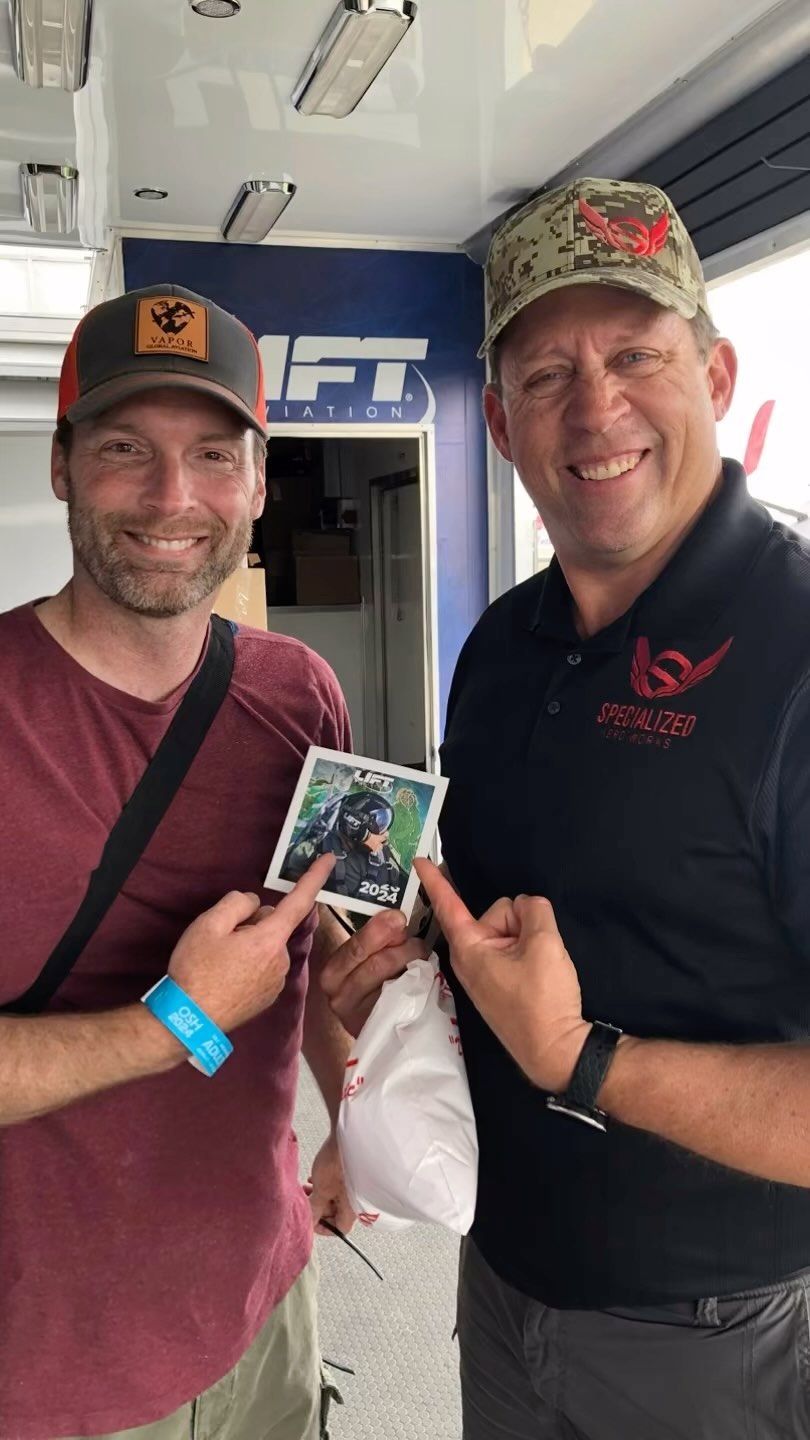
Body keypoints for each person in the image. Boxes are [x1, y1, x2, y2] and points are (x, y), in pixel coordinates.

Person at [320, 177, 810, 1438]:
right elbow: (499, 918)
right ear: (495, 419)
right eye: (546, 374)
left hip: (723, 1332)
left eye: (636, 353)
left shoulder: (797, 646)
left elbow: (560, 1025)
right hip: (502, 1284)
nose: (596, 409)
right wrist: (396, 984)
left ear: (713, 373)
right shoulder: (502, 645)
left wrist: (581, 1058)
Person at [0, 283, 358, 1440]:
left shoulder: (299, 694)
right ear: (62, 468)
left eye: (213, 454)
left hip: (261, 1312)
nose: (172, 498)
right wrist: (175, 1025)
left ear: (257, 483)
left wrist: (356, 1098)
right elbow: (214, 1006)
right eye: (124, 451)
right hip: (45, 1374)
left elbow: (307, 962)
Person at [284, 791, 405, 906]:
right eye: (380, 825)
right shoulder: (312, 851)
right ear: (355, 824)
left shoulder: (382, 854)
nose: (386, 834)